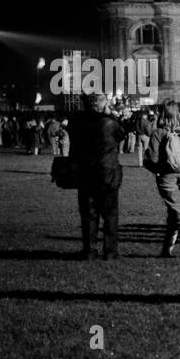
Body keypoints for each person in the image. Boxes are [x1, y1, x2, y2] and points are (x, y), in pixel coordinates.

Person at [69, 92, 124, 260]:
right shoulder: (109, 122)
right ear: (101, 105)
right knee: (110, 214)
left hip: (86, 171)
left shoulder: (77, 122)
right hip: (107, 172)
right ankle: (110, 251)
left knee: (88, 213)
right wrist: (112, 115)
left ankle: (89, 250)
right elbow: (121, 135)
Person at [145, 101, 180, 259]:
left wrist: (154, 168)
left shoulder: (158, 133)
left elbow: (152, 159)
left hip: (166, 176)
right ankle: (166, 249)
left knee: (179, 212)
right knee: (175, 212)